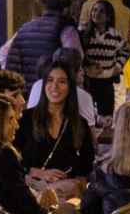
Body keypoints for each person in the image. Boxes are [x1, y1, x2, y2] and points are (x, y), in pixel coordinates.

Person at [16, 53, 96, 198]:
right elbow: (12, 161)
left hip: (67, 194)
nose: (55, 87)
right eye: (50, 80)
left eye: (62, 82)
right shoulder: (26, 119)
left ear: (70, 87)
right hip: (32, 191)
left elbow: (87, 165)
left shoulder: (79, 123)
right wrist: (39, 172)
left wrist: (78, 183)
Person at [2, 0, 83, 87]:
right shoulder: (66, 29)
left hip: (26, 90)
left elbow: (4, 52)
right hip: (53, 90)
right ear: (66, 9)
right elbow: (76, 57)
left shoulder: (25, 28)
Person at [81, 0, 130, 118]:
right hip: (88, 80)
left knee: (106, 116)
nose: (96, 13)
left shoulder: (114, 35)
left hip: (106, 80)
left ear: (108, 16)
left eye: (101, 11)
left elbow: (127, 50)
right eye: (94, 10)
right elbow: (79, 54)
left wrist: (118, 65)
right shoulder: (84, 34)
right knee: (88, 115)